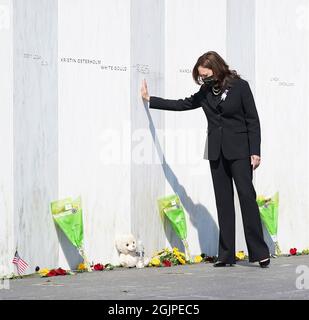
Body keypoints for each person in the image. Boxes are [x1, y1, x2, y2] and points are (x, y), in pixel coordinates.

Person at [140, 51, 270, 268]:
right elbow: (184, 104)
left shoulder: (240, 86)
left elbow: (252, 120)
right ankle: (226, 255)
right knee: (223, 202)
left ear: (216, 68)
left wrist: (255, 151)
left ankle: (259, 252)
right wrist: (150, 100)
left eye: (206, 75)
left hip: (240, 151)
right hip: (216, 152)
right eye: (201, 77)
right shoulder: (206, 91)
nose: (204, 79)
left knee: (247, 197)